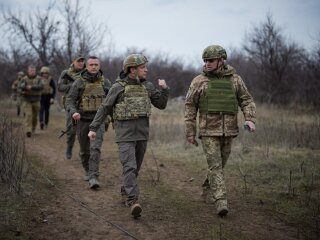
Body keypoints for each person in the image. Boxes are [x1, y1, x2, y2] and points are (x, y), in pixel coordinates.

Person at [88, 54, 170, 218]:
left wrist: (164, 90)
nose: (146, 70)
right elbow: (104, 108)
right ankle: (133, 201)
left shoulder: (147, 86)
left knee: (135, 168)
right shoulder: (118, 87)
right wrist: (93, 128)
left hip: (142, 135)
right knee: (130, 166)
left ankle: (126, 191)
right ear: (132, 69)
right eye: (142, 67)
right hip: (124, 135)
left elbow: (161, 104)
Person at [184, 45, 256, 217]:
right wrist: (190, 132)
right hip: (208, 131)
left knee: (220, 165)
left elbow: (246, 100)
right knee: (215, 166)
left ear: (221, 60)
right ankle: (221, 201)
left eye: (211, 60)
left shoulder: (235, 80)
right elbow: (189, 107)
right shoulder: (199, 81)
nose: (207, 64)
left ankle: (207, 188)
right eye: (205, 61)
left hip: (229, 131)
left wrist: (250, 119)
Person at [65, 56, 111, 189]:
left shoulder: (105, 82)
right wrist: (73, 112)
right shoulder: (79, 82)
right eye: (91, 64)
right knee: (85, 151)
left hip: (98, 122)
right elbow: (70, 100)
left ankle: (93, 176)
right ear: (86, 66)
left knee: (95, 148)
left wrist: (113, 118)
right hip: (82, 121)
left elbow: (111, 101)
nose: (94, 67)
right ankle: (87, 170)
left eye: (96, 65)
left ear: (99, 66)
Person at [58, 55, 85, 159]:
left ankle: (84, 151)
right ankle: (69, 147)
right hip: (71, 105)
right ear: (73, 61)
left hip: (85, 105)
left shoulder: (86, 73)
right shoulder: (66, 73)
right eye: (79, 61)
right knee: (71, 130)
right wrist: (73, 86)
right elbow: (60, 87)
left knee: (84, 130)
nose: (81, 63)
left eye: (82, 61)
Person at [19, 65, 44, 137]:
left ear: (35, 71)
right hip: (27, 100)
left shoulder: (39, 79)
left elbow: (41, 86)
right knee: (28, 115)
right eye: (31, 71)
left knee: (35, 116)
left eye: (33, 71)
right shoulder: (24, 79)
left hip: (36, 100)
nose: (32, 72)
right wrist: (23, 91)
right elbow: (19, 88)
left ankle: (33, 128)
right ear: (28, 71)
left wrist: (31, 87)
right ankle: (28, 130)